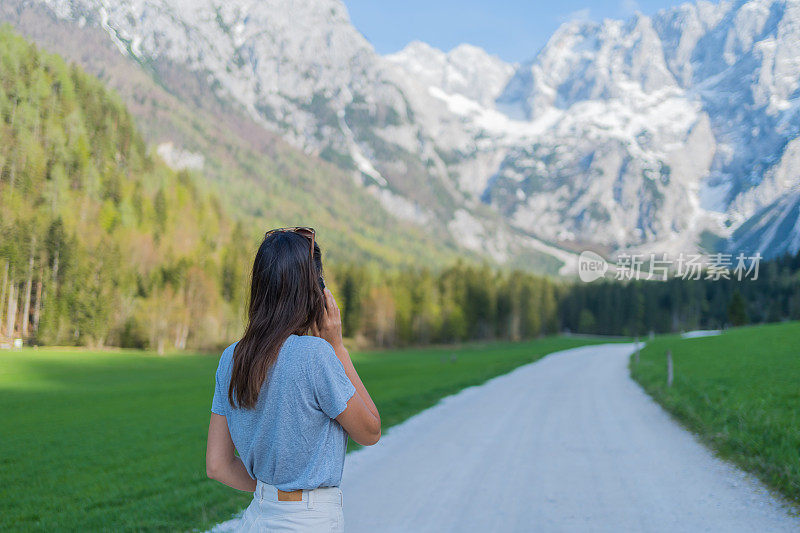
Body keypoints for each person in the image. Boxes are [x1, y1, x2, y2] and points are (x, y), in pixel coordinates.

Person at [206, 227, 381, 532]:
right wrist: (337, 348)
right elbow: (370, 430)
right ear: (314, 292)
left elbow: (218, 465)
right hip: (308, 521)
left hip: (257, 518)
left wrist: (270, 490)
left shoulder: (231, 359)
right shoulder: (316, 355)